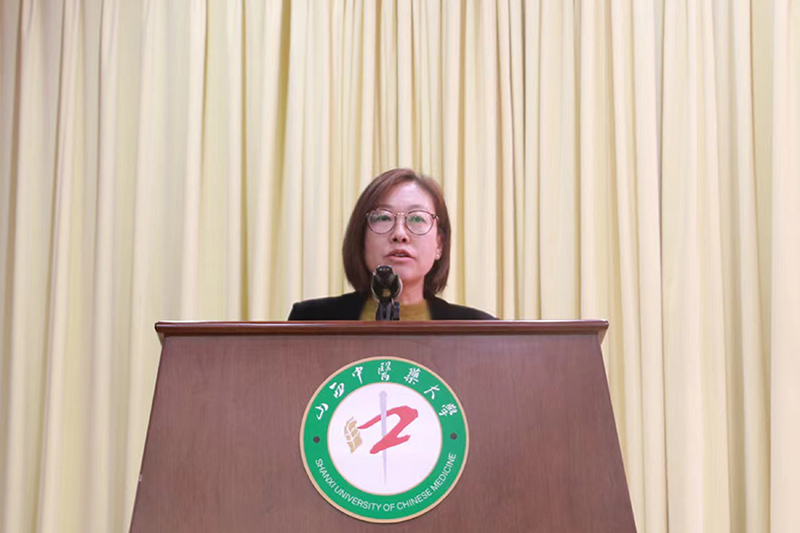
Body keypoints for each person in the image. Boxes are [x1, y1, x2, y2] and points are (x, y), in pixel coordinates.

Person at [288, 168, 495, 320]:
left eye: (416, 218)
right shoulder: (310, 319)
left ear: (439, 245)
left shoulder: (478, 331)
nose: (399, 234)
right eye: (383, 217)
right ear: (361, 238)